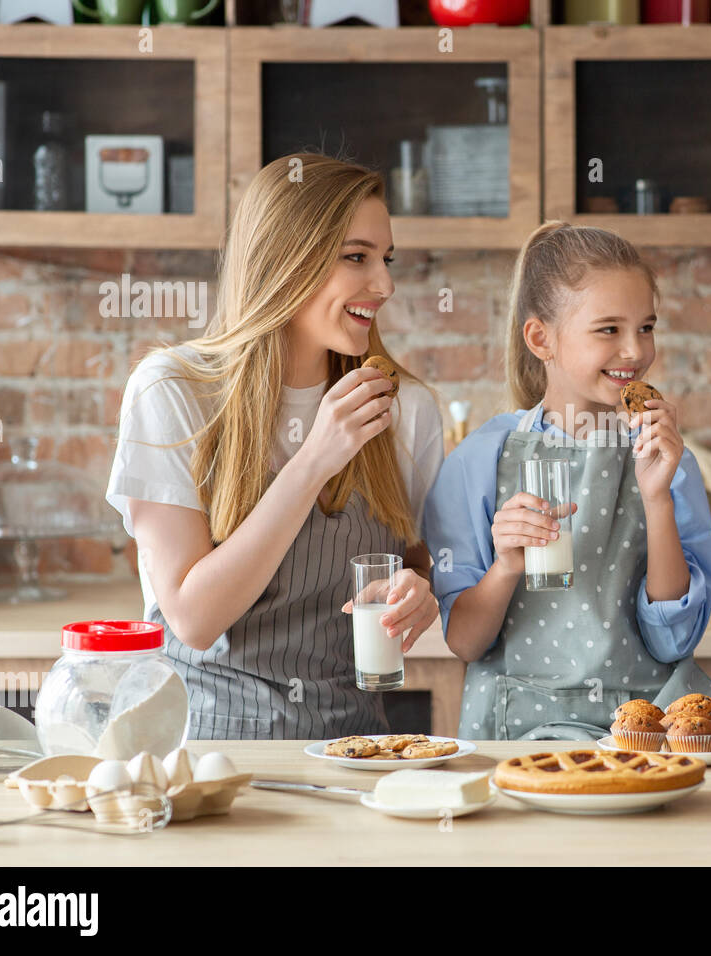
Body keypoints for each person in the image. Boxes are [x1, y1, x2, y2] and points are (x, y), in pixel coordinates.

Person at [105, 153, 443, 740]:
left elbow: (416, 565)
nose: (384, 285)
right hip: (203, 751)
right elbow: (194, 617)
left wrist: (421, 591)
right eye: (356, 257)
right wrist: (315, 458)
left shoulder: (404, 408)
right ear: (287, 261)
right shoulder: (172, 390)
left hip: (353, 748)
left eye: (386, 260)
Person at [422, 221, 711, 740]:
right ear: (542, 338)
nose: (635, 350)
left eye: (646, 327)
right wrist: (505, 566)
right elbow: (466, 643)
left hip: (642, 733)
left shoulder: (671, 462)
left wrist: (656, 500)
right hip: (516, 732)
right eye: (609, 329)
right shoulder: (477, 461)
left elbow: (672, 642)